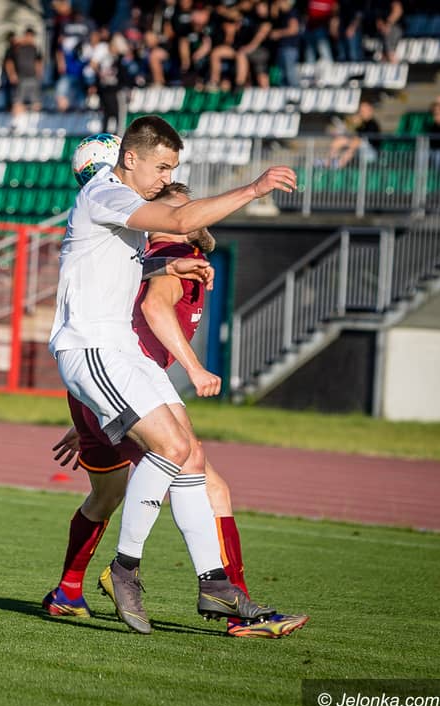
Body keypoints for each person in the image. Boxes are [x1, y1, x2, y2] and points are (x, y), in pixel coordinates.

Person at [46, 115, 296, 634]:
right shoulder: (105, 191)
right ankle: (124, 569)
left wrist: (166, 267)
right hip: (93, 347)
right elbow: (179, 220)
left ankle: (215, 583)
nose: (167, 178)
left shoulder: (117, 201)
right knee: (170, 449)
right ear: (129, 158)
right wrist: (253, 189)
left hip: (123, 350)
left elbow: (112, 264)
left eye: (171, 169)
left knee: (189, 456)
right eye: (161, 167)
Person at [326, 100, 381, 168]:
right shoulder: (360, 123)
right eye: (360, 111)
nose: (361, 113)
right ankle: (328, 163)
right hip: (358, 150)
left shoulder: (373, 124)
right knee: (339, 140)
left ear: (370, 111)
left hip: (371, 153)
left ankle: (341, 164)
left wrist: (357, 126)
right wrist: (352, 125)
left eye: (363, 111)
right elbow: (350, 134)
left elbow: (363, 139)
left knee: (356, 141)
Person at [6, 27, 44, 115]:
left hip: (33, 77)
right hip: (20, 78)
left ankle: (32, 118)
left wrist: (39, 73)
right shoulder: (17, 47)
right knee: (17, 103)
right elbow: (9, 62)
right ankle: (17, 120)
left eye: (32, 36)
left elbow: (38, 61)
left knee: (36, 103)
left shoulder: (35, 48)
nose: (31, 38)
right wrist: (12, 74)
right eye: (29, 36)